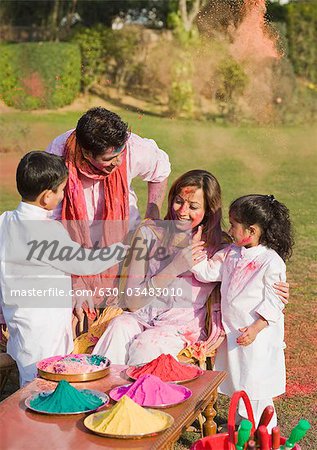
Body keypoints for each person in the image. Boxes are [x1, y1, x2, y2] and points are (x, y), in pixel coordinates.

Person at [92, 171, 289, 367]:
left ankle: (136, 397)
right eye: (179, 201)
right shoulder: (149, 233)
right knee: (118, 327)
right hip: (141, 314)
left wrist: (276, 288)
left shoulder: (221, 247)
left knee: (146, 345)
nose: (182, 211)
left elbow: (252, 268)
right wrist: (175, 266)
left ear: (209, 210)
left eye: (193, 206)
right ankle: (97, 393)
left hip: (179, 327)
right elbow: (133, 302)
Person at [0, 151, 127, 385]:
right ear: (47, 197)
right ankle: (33, 419)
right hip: (45, 325)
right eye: (61, 190)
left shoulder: (5, 220)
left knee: (29, 372)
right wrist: (121, 249)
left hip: (17, 317)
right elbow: (85, 263)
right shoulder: (48, 232)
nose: (62, 195)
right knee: (43, 381)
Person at [45, 107, 171, 320]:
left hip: (124, 243)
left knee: (122, 317)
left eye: (120, 154)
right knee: (74, 320)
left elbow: (161, 170)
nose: (119, 162)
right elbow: (51, 218)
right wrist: (75, 277)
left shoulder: (133, 147)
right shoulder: (59, 153)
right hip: (74, 247)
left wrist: (152, 215)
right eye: (109, 158)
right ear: (85, 153)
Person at [191, 194, 294, 431]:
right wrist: (191, 255)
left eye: (233, 225)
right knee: (240, 379)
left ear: (252, 230)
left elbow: (275, 301)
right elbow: (207, 272)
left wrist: (256, 328)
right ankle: (241, 421)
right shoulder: (231, 253)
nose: (229, 229)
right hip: (235, 332)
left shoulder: (271, 261)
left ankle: (262, 430)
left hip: (257, 334)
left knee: (255, 383)